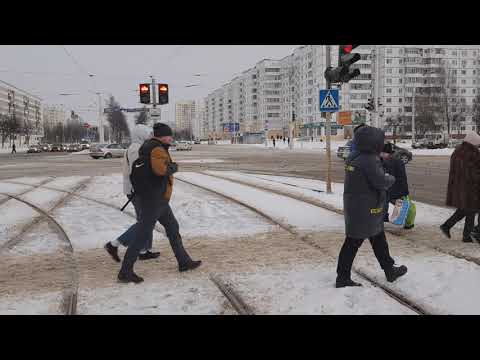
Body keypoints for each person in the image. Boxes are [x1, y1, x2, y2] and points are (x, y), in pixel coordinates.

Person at [117, 123, 202, 283]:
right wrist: (173, 167)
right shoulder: (156, 148)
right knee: (142, 235)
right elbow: (160, 170)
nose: (171, 138)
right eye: (169, 135)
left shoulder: (150, 146)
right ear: (162, 136)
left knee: (172, 228)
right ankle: (125, 271)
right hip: (154, 200)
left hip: (158, 199)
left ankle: (183, 261)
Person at [336, 126, 407, 288]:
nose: (381, 144)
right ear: (372, 142)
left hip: (358, 206)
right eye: (380, 141)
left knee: (378, 238)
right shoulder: (369, 160)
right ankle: (342, 277)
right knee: (353, 242)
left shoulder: (355, 156)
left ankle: (389, 269)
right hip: (366, 208)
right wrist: (390, 177)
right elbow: (380, 181)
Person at [105, 124, 160, 261]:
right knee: (146, 222)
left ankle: (143, 250)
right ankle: (114, 244)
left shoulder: (138, 147)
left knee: (145, 220)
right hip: (138, 191)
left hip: (138, 190)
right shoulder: (137, 149)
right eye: (148, 134)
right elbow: (139, 172)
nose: (150, 137)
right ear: (141, 135)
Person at [440, 131, 480, 243]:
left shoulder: (457, 151)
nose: (478, 145)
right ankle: (466, 236)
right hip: (471, 187)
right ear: (473, 142)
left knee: (464, 209)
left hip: (458, 186)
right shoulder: (473, 153)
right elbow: (473, 172)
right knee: (471, 210)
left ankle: (446, 226)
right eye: (477, 143)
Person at [380, 142, 414, 229]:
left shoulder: (388, 162)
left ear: (386, 153)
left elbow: (388, 177)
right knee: (405, 205)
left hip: (393, 189)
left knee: (384, 201)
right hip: (401, 188)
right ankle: (409, 224)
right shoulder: (397, 160)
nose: (381, 154)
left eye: (382, 153)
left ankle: (384, 218)